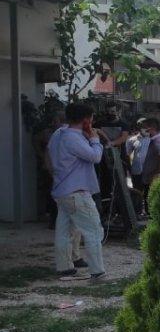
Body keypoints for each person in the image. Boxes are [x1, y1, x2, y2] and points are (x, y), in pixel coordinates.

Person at [48, 102, 106, 281]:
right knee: (94, 230)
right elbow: (95, 157)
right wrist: (95, 139)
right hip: (78, 192)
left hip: (62, 191)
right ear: (87, 119)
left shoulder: (59, 133)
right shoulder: (73, 138)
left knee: (64, 232)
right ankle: (97, 270)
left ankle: (64, 267)